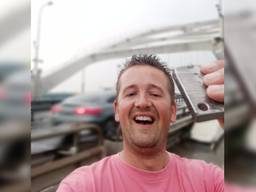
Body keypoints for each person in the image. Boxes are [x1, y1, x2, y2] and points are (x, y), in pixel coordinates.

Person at [57, 55, 224, 192]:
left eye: (155, 94)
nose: (142, 102)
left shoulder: (209, 180)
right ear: (116, 110)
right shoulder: (81, 186)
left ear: (173, 111)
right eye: (130, 93)